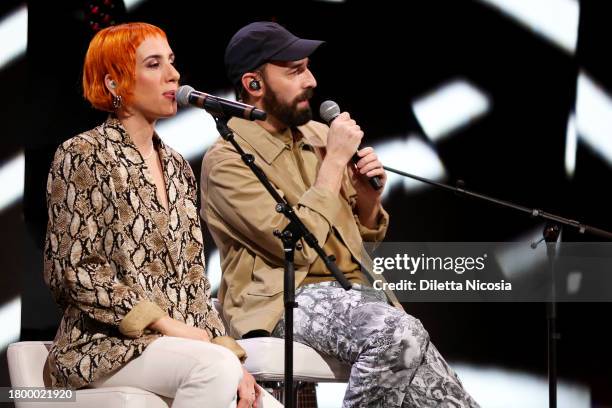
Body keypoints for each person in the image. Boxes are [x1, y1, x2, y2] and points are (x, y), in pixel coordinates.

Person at [200, 21, 480, 407]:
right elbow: (295, 246)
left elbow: (362, 237)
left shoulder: (318, 134)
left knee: (451, 400)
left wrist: (367, 198)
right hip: (281, 300)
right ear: (254, 84)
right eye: (295, 71)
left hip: (356, 294)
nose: (311, 80)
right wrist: (333, 162)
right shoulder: (228, 160)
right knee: (397, 334)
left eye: (308, 67)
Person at [43, 22, 265, 408]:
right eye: (153, 64)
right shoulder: (83, 154)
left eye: (172, 61)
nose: (173, 74)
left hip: (180, 348)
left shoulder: (178, 167)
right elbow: (75, 270)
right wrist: (166, 325)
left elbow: (195, 280)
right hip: (104, 346)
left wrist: (230, 354)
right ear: (114, 84)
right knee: (213, 369)